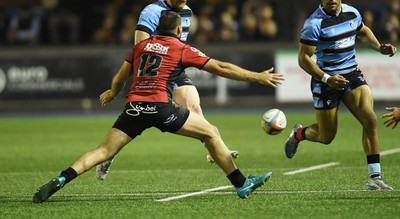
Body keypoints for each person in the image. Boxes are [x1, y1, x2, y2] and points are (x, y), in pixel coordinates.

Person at [32, 11, 284, 203]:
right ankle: (241, 183)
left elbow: (120, 78)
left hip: (134, 107)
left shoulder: (141, 46)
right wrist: (256, 76)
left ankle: (62, 178)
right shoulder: (180, 48)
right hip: (162, 107)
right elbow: (220, 67)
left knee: (103, 151)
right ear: (179, 28)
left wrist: (112, 93)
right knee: (211, 132)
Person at [96, 0, 238, 180]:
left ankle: (214, 149)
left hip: (173, 68)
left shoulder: (187, 11)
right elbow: (140, 48)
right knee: (134, 124)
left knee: (194, 105)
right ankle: (109, 154)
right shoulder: (151, 12)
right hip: (152, 72)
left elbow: (179, 44)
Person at [284, 0, 397, 190]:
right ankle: (298, 134)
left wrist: (378, 47)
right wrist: (327, 78)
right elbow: (303, 59)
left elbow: (362, 31)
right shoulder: (314, 24)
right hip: (326, 80)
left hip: (352, 74)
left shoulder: (352, 13)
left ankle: (374, 178)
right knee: (326, 137)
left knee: (370, 118)